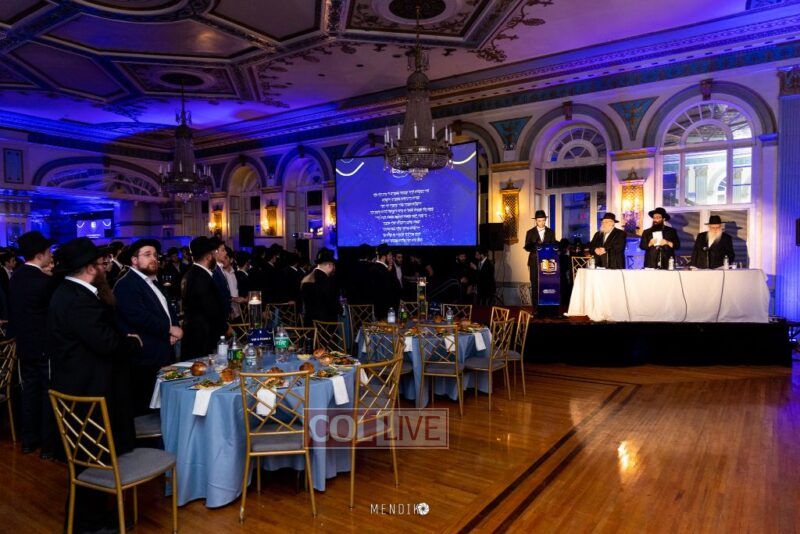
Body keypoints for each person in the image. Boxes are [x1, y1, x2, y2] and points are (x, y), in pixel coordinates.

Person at [47, 237, 142, 533]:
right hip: (86, 390)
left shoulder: (72, 292)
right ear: (90, 268)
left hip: (84, 385)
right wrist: (131, 343)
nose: (105, 267)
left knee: (93, 457)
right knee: (91, 458)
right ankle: (87, 524)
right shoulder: (78, 300)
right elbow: (105, 343)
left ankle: (95, 517)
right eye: (101, 263)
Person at [113, 239, 182, 416]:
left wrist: (173, 326)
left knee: (161, 407)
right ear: (134, 260)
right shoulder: (127, 284)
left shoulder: (152, 282)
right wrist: (169, 329)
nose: (153, 259)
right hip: (144, 356)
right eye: (147, 255)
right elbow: (139, 316)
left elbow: (167, 308)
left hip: (161, 350)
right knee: (146, 409)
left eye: (155, 255)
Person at [8, 231, 57, 457]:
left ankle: (28, 440)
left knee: (29, 392)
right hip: (44, 346)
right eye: (49, 252)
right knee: (47, 394)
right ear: (40, 255)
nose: (51, 255)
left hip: (24, 345)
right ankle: (47, 445)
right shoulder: (44, 282)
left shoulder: (15, 277)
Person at [181, 236, 229, 359]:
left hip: (199, 335)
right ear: (208, 256)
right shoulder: (201, 277)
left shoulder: (193, 273)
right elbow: (210, 309)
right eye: (213, 254)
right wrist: (225, 327)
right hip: (202, 337)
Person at [524, 210, 557, 305]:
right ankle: (535, 307)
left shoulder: (550, 232)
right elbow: (527, 247)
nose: (541, 223)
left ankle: (546, 306)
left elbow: (553, 246)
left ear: (545, 220)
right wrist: (534, 245)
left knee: (546, 284)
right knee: (534, 284)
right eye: (539, 221)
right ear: (536, 221)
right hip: (534, 261)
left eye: (543, 220)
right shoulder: (530, 232)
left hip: (546, 261)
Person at [301, 248, 339, 325]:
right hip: (325, 323)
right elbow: (330, 301)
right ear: (329, 265)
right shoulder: (327, 280)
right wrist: (340, 309)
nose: (334, 268)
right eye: (333, 265)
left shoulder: (307, 277)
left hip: (309, 321)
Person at [369, 243, 398, 319]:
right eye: (390, 255)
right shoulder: (376, 269)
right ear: (384, 256)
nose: (391, 257)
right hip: (383, 307)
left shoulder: (385, 268)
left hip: (388, 306)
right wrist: (389, 271)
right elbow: (385, 288)